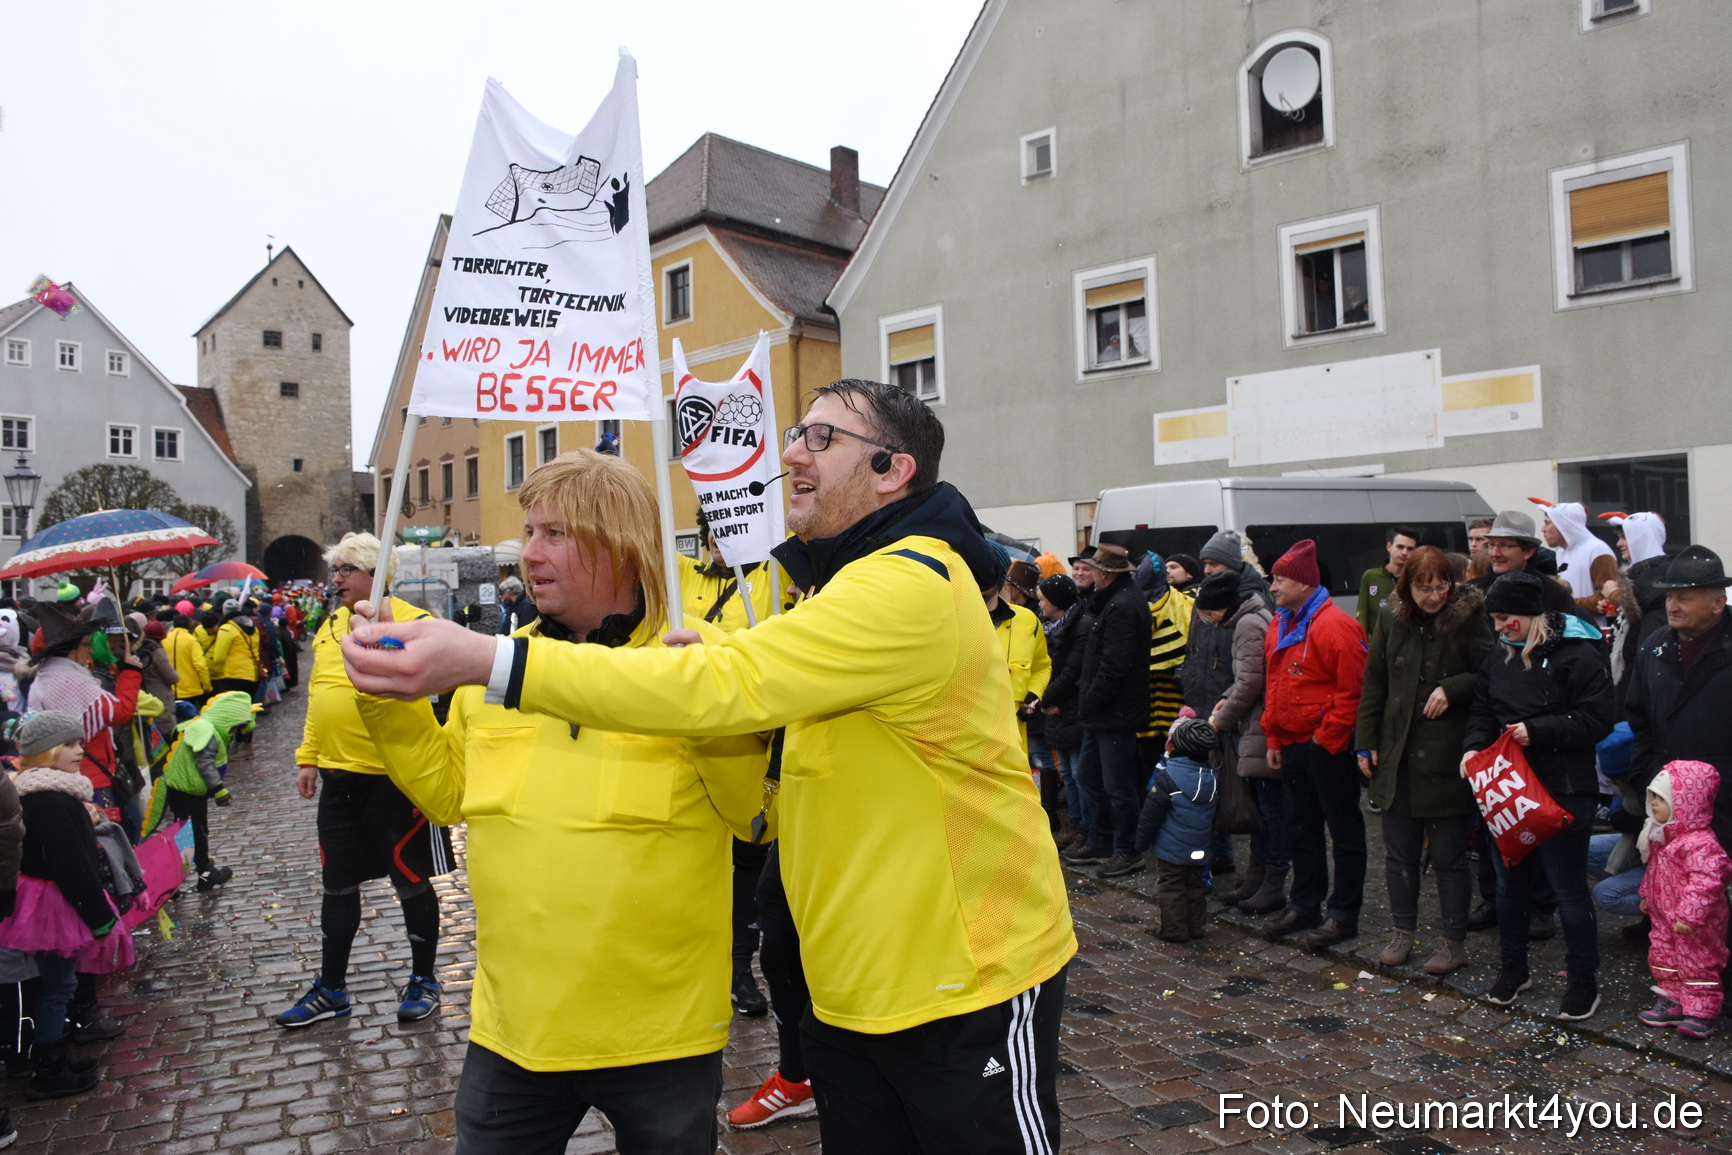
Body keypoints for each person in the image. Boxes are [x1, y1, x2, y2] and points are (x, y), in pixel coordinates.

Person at [341, 378, 1076, 1155]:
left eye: (823, 438)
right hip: (851, 992)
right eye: (799, 432)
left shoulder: (909, 579)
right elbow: (769, 722)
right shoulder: (842, 584)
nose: (792, 450)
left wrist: (491, 659)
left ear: (893, 469)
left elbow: (731, 709)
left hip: (964, 981)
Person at [354, 451, 768, 1154]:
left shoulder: (698, 659)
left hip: (659, 1033)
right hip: (516, 1030)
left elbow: (754, 818)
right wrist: (385, 701)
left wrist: (706, 715)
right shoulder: (494, 666)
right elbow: (449, 794)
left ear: (621, 544)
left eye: (555, 534)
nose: (529, 554)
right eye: (529, 531)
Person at [277, 533, 454, 1029]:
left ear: (375, 575)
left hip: (394, 779)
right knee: (336, 885)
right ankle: (331, 987)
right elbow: (320, 692)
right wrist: (308, 756)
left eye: (346, 570)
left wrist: (392, 636)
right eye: (334, 570)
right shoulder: (330, 625)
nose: (335, 580)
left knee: (410, 882)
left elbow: (433, 690)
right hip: (338, 777)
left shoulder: (414, 621)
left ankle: (424, 979)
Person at [1463, 571, 1616, 1019]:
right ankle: (1513, 969)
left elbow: (1598, 718)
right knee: (1509, 887)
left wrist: (1541, 731)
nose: (1500, 628)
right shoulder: (1498, 654)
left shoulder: (1578, 652)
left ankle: (1583, 982)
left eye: (1506, 618)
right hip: (1507, 789)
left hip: (1565, 788)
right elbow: (1483, 708)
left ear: (1534, 614)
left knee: (1568, 891)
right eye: (1494, 619)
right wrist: (1472, 748)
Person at [1354, 547, 1495, 975]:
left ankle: (1453, 943)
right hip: (1396, 755)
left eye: (1441, 586)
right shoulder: (1391, 619)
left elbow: (1491, 670)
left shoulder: (1468, 618)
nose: (1434, 596)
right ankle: (1402, 932)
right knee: (1399, 854)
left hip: (1445, 757)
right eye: (1424, 588)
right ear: (1407, 587)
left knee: (1449, 857)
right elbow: (1374, 682)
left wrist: (1453, 687)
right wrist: (1365, 741)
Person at [0, 711, 134, 1101]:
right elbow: (73, 867)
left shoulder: (34, 792)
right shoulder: (54, 801)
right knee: (59, 985)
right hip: (53, 904)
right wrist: (101, 919)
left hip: (40, 899)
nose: (80, 751)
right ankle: (50, 1067)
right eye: (71, 745)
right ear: (48, 751)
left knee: (51, 984)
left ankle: (46, 1056)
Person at [1261, 540, 1369, 948]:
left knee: (1344, 833)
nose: (1273, 587)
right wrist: (1274, 734)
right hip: (1291, 743)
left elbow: (1353, 690)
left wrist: (1327, 739)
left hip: (1326, 747)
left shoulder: (1335, 625)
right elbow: (1276, 684)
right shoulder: (1281, 621)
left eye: (1281, 579)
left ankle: (1343, 913)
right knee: (1301, 829)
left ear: (1305, 583)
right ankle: (1305, 904)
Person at [1180, 571, 1280, 912]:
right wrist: (1226, 697)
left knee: (1265, 810)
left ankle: (1267, 881)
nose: (1207, 620)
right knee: (1262, 809)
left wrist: (1219, 720)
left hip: (1255, 727)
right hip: (1251, 723)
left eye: (1208, 613)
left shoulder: (1248, 624)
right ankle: (1257, 878)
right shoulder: (1251, 616)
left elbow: (1251, 681)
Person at [1625, 545, 1732, 852]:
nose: (1671, 605)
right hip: (1668, 797)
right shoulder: (1654, 646)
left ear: (1717, 603)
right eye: (1669, 596)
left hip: (1724, 802)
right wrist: (1646, 776)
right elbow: (1638, 720)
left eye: (1684, 598)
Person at [1064, 542, 1153, 878]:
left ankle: (1127, 850)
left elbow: (1115, 666)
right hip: (1102, 711)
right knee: (1088, 774)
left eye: (1094, 570)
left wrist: (1089, 699)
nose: (1089, 574)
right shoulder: (1114, 601)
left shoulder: (1123, 605)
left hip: (1114, 712)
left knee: (1118, 784)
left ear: (1104, 574)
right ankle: (1101, 839)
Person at [1635, 761, 1732, 1040]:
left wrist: (1690, 916)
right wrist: (1647, 895)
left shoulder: (1700, 843)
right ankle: (1673, 1000)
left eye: (1662, 799)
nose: (1654, 804)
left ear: (1686, 803)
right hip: (1665, 914)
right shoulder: (1662, 836)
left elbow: (1707, 882)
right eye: (1652, 797)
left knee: (1698, 962)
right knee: (1664, 955)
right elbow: (1654, 871)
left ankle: (1701, 1012)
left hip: (1695, 921)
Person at [1133, 715, 1219, 942]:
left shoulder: (1168, 777)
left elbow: (1151, 815)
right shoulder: (1212, 778)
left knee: (1172, 888)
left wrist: (1141, 842)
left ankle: (1174, 931)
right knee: (1195, 886)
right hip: (1199, 848)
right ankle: (1196, 927)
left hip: (1172, 850)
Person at [158, 693, 253, 892]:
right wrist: (218, 789)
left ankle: (179, 880)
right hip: (187, 792)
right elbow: (204, 762)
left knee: (188, 833)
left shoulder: (207, 727)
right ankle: (203, 875)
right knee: (196, 834)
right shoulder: (207, 731)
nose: (235, 732)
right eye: (236, 727)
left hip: (185, 790)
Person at [1038, 573, 1091, 851]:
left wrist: (1045, 698)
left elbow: (1072, 671)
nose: (1040, 605)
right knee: (1068, 773)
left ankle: (1085, 829)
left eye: (1044, 600)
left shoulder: (1079, 626)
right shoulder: (1052, 626)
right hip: (1058, 708)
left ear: (1057, 602)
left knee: (1078, 773)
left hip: (1072, 707)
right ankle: (1075, 823)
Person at [1601, 512, 1669, 704]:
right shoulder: (1642, 582)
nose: (1619, 544)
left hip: (1636, 698)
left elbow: (1643, 658)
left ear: (1641, 539)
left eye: (1625, 537)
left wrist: (1618, 596)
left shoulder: (1651, 590)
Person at [1534, 500, 1618, 624]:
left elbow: (1607, 599)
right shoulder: (1561, 553)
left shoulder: (1598, 550)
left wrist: (1563, 603)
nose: (1543, 529)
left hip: (1593, 632)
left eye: (1547, 523)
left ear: (1563, 524)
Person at [207, 600, 262, 744]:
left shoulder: (226, 628)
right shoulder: (252, 626)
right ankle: (246, 739)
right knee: (248, 709)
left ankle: (238, 741)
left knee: (235, 710)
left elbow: (219, 657)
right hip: (253, 673)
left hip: (234, 674)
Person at [1355, 526, 1419, 635]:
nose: (1404, 552)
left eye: (1410, 549)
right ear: (1389, 546)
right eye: (1400, 547)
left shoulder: (1417, 578)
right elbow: (1362, 616)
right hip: (1379, 646)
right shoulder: (1371, 576)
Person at [162, 612, 213, 710]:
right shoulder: (191, 640)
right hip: (190, 690)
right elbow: (200, 665)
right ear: (188, 625)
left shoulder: (164, 640)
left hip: (169, 689)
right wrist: (207, 686)